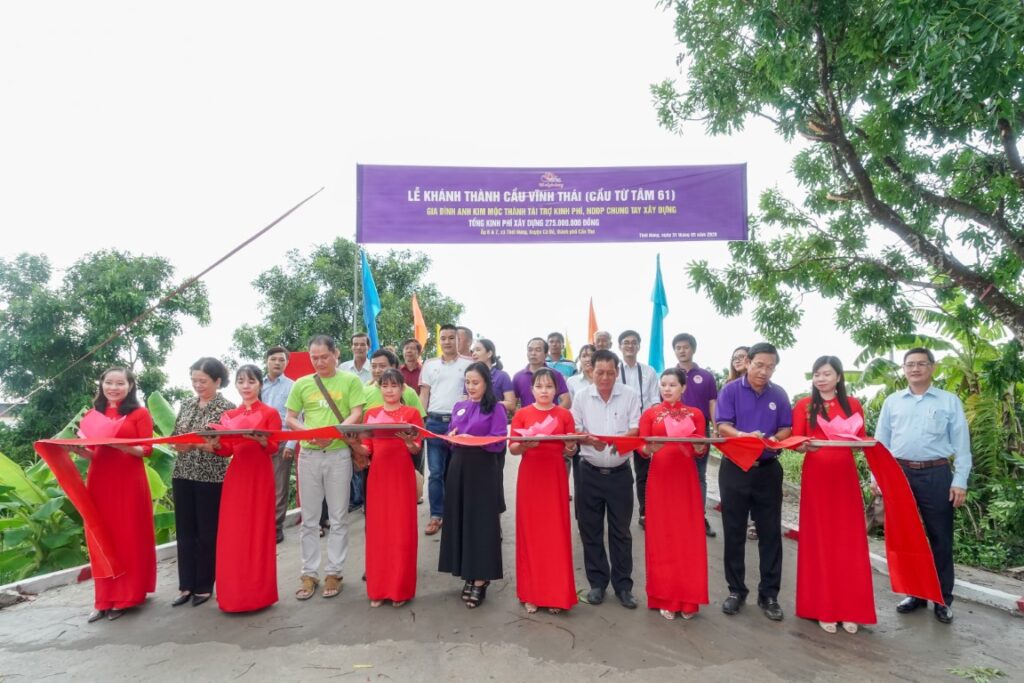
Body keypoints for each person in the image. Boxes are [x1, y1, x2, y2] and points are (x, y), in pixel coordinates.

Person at [875, 347, 971, 625]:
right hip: (899, 474)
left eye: (921, 364)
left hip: (936, 473)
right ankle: (915, 594)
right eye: (910, 365)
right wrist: (877, 479)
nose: (915, 369)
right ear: (904, 369)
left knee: (940, 538)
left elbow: (962, 445)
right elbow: (881, 442)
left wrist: (960, 481)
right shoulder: (893, 402)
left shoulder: (948, 401)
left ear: (932, 367)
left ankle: (942, 598)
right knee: (907, 537)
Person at [791, 356, 874, 633]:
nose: (821, 378)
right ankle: (823, 607)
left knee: (847, 539)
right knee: (821, 539)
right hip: (816, 478)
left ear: (839, 376)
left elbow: (860, 439)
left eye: (827, 373)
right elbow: (795, 440)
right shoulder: (804, 406)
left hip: (845, 478)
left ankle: (849, 608)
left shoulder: (853, 405)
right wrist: (804, 446)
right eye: (817, 374)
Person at [71, 367, 155, 622]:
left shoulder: (139, 413)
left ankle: (127, 596)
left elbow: (147, 450)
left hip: (129, 481)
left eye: (120, 383)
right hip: (100, 480)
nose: (114, 388)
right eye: (109, 383)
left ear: (130, 386)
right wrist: (82, 452)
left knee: (127, 536)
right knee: (101, 537)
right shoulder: (92, 414)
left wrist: (120, 445)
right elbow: (95, 451)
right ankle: (103, 599)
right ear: (102, 385)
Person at [715, 342, 792, 621]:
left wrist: (775, 439)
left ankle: (769, 594)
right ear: (747, 362)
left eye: (770, 367)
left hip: (768, 470)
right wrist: (744, 437)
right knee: (734, 531)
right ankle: (736, 590)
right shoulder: (731, 390)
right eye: (759, 365)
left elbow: (786, 427)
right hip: (735, 469)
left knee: (770, 533)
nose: (763, 371)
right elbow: (722, 424)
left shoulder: (779, 394)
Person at [286, 334, 366, 601]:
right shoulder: (302, 384)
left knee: (338, 516)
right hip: (308, 455)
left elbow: (357, 412)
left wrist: (334, 433)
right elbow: (290, 418)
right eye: (314, 358)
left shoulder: (350, 380)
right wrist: (308, 432)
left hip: (338, 454)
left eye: (324, 356)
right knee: (309, 520)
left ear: (336, 353)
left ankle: (335, 572)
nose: (319, 362)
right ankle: (309, 573)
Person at [572, 349, 641, 609]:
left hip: (620, 474)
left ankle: (623, 586)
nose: (604, 378)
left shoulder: (630, 395)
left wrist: (621, 443)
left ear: (617, 371)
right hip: (589, 471)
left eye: (610, 373)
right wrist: (588, 440)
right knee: (590, 529)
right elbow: (576, 428)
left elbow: (636, 427)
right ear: (590, 371)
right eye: (599, 372)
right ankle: (597, 583)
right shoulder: (581, 396)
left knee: (621, 531)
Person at [637, 368, 709, 620]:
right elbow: (641, 448)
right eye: (663, 384)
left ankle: (688, 599)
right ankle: (664, 596)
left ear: (683, 387)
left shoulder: (697, 414)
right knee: (662, 536)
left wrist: (700, 446)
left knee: (687, 537)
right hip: (660, 480)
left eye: (672, 385)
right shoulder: (650, 414)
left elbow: (701, 450)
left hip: (686, 480)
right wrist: (649, 447)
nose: (667, 389)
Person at [209, 365, 281, 613]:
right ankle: (233, 596)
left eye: (251, 381)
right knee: (234, 534)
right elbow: (227, 450)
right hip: (236, 476)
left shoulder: (270, 413)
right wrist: (215, 444)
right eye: (241, 382)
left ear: (260, 384)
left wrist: (262, 440)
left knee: (258, 532)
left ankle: (258, 595)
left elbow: (273, 447)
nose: (246, 386)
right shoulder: (229, 416)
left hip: (259, 476)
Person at [349, 369, 423, 608]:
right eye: (385, 385)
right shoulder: (371, 414)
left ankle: (400, 589)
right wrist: (352, 443)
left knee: (401, 531)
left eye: (394, 386)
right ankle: (379, 588)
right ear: (379, 388)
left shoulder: (411, 413)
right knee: (378, 531)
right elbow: (366, 449)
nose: (389, 390)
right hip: (378, 477)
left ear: (402, 389)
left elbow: (417, 449)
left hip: (401, 476)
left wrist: (408, 441)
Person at [438, 362, 508, 608]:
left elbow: (499, 441)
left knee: (481, 522)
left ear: (487, 383)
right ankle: (467, 573)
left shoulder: (496, 409)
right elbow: (450, 435)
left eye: (475, 382)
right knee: (462, 519)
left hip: (483, 469)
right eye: (467, 382)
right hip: (459, 467)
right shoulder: (459, 406)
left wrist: (475, 440)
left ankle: (481, 578)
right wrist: (454, 437)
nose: (470, 387)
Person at [509, 368, 579, 615]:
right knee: (531, 532)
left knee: (555, 532)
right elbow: (513, 449)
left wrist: (570, 445)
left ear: (556, 390)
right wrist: (524, 445)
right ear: (532, 390)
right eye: (539, 386)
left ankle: (556, 594)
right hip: (530, 478)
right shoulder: (522, 414)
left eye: (549, 387)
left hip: (555, 476)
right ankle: (532, 593)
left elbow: (570, 449)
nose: (544, 391)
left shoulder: (564, 415)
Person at [171, 357, 235, 608]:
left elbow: (223, 447)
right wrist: (186, 444)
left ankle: (204, 585)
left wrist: (195, 444)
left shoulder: (226, 407)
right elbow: (176, 438)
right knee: (185, 532)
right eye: (194, 380)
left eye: (203, 381)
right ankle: (186, 585)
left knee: (207, 533)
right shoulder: (186, 404)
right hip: (183, 473)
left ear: (217, 381)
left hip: (211, 476)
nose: (198, 385)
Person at [419, 324, 471, 535]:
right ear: (438, 341)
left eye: (452, 338)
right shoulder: (430, 365)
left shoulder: (469, 364)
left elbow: (473, 392)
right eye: (444, 338)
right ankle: (436, 515)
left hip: (460, 424)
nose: (447, 341)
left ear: (459, 340)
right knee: (436, 472)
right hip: (434, 423)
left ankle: (457, 513)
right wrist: (421, 421)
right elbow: (424, 394)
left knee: (457, 472)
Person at [672, 333, 718, 538]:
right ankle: (678, 516)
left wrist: (715, 427)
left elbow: (712, 403)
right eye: (678, 347)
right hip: (673, 432)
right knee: (675, 474)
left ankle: (699, 516)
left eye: (686, 347)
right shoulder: (670, 375)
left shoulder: (706, 376)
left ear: (693, 349)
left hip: (699, 432)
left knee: (699, 475)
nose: (682, 350)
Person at [616, 330, 660, 529]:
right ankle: (619, 511)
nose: (630, 346)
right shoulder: (614, 370)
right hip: (621, 426)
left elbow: (654, 400)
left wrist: (648, 424)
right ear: (620, 346)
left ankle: (645, 512)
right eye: (626, 342)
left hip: (643, 426)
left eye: (634, 342)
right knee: (619, 468)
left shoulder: (649, 371)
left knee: (643, 471)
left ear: (639, 346)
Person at [471, 338, 516, 513]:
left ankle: (494, 519)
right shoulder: (470, 375)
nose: (473, 353)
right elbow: (465, 400)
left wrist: (489, 403)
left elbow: (511, 403)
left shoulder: (502, 376)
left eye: (478, 349)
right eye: (472, 350)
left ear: (490, 353)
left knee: (494, 476)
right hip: (472, 434)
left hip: (494, 434)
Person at [262, 346, 297, 544]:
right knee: (261, 485)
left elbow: (297, 416)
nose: (277, 363)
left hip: (282, 440)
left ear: (287, 363)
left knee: (279, 486)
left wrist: (291, 444)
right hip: (258, 442)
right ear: (267, 361)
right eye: (273, 359)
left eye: (281, 360)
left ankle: (276, 527)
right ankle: (262, 524)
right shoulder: (258, 385)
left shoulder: (292, 386)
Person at [723, 345, 757, 541]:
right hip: (734, 443)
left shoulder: (765, 386)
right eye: (734, 357)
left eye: (742, 356)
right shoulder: (728, 385)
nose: (738, 360)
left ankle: (755, 521)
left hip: (757, 443)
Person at [513, 338, 571, 409]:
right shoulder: (518, 377)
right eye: (530, 350)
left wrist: (553, 416)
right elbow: (512, 403)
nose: (533, 353)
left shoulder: (555, 375)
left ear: (546, 354)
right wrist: (521, 417)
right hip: (527, 419)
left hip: (552, 418)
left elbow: (566, 401)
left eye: (538, 350)